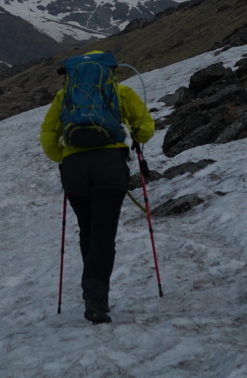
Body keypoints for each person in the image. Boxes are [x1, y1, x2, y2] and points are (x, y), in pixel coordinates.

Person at [39, 51, 155, 324]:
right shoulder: (121, 92)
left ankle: (93, 291)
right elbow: (145, 130)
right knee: (104, 232)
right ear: (109, 71)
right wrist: (135, 135)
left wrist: (63, 157)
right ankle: (96, 298)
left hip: (74, 168)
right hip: (109, 165)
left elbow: (47, 135)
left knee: (88, 229)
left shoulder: (64, 96)